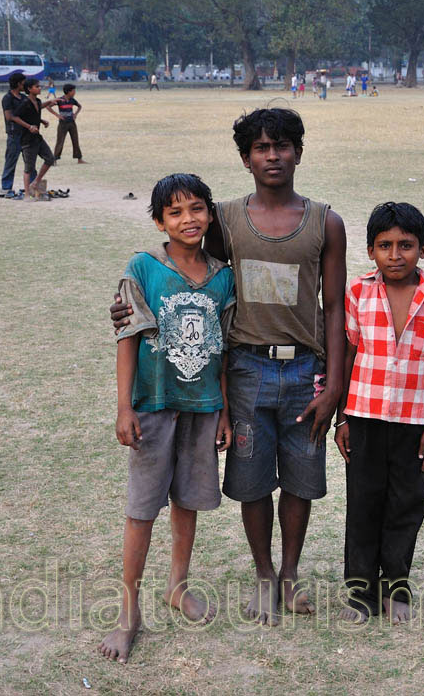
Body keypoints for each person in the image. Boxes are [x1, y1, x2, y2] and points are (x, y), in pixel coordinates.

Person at [112, 107, 346, 625]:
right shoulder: (225, 219)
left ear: (298, 151)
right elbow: (182, 267)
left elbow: (335, 308)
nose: (272, 155)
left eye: (281, 145)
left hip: (305, 369)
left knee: (302, 479)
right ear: (245, 158)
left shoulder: (326, 221)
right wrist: (127, 306)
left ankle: (289, 573)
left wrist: (336, 387)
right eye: (261, 148)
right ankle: (264, 575)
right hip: (245, 370)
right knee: (252, 477)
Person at [99, 173, 236, 662]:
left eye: (196, 208)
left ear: (211, 214)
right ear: (159, 221)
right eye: (175, 212)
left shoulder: (224, 276)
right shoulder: (142, 268)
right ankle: (128, 611)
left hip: (201, 408)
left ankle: (177, 585)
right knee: (142, 508)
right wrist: (124, 407)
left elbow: (222, 349)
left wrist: (221, 409)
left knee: (188, 500)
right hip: (153, 407)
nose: (188, 219)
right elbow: (127, 338)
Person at [335, 202, 424, 623]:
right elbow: (350, 354)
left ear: (422, 249)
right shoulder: (358, 292)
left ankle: (396, 588)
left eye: (405, 245)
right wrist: (343, 418)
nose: (395, 255)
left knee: (407, 504)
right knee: (364, 503)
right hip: (365, 416)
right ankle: (360, 592)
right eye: (384, 245)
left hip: (413, 424)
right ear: (371, 250)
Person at [11, 77, 59, 200]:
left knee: (50, 158)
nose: (39, 88)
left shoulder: (37, 101)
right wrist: (29, 127)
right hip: (27, 140)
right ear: (29, 89)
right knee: (29, 168)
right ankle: (27, 194)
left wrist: (43, 118)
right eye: (37, 86)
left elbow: (37, 110)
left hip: (37, 138)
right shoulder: (25, 103)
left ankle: (35, 182)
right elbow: (14, 117)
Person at [0, 72, 26, 198]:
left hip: (26, 134)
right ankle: (5, 188)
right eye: (23, 82)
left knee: (29, 162)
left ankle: (31, 185)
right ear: (18, 83)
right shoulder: (7, 98)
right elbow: (9, 117)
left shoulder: (24, 97)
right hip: (14, 134)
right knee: (11, 161)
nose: (25, 85)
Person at [47, 83, 87, 164]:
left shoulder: (72, 100)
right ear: (68, 92)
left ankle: (79, 159)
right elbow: (48, 107)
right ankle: (54, 160)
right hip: (63, 123)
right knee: (60, 141)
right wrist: (57, 115)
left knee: (75, 140)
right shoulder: (60, 100)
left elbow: (79, 106)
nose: (75, 92)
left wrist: (75, 114)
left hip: (72, 123)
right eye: (73, 91)